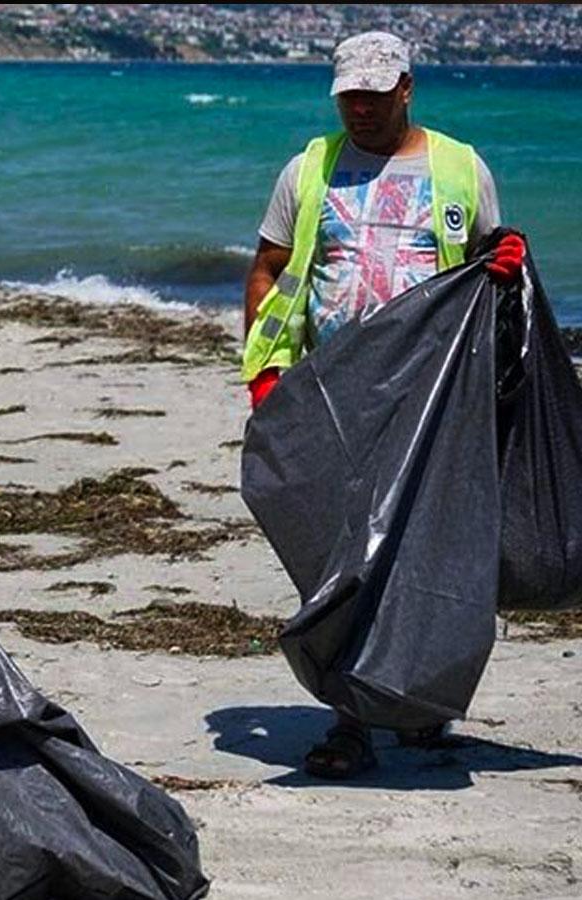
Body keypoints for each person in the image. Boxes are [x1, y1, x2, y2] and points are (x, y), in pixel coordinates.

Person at [241, 31, 526, 779]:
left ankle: (420, 697)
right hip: (334, 399)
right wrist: (267, 377)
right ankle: (351, 722)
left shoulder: (461, 169)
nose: (360, 108)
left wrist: (506, 262)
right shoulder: (309, 170)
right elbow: (270, 270)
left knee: (433, 554)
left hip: (434, 403)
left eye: (375, 93)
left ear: (408, 88)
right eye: (349, 96)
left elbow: (489, 268)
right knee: (346, 563)